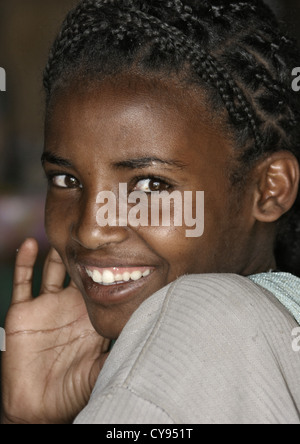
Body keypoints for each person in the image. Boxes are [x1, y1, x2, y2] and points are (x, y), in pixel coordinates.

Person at [1, 0, 300, 424]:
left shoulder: (204, 316)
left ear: (270, 189)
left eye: (150, 184)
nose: (91, 229)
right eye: (67, 180)